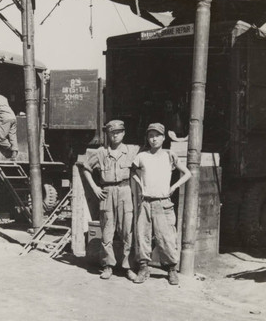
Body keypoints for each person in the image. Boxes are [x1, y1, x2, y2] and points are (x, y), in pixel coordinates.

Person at [132, 123, 191, 285]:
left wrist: (173, 187)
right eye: (150, 136)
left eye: (157, 135)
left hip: (163, 203)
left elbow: (187, 173)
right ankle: (143, 269)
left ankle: (171, 269)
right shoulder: (142, 156)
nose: (154, 139)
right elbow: (133, 172)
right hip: (146, 203)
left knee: (167, 237)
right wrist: (141, 185)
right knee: (142, 236)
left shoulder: (169, 155)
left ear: (164, 138)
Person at [82, 120, 138, 281]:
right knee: (107, 230)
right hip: (106, 192)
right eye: (112, 133)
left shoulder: (131, 151)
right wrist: (95, 188)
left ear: (124, 133)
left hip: (125, 191)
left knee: (127, 230)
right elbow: (86, 168)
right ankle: (107, 266)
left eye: (119, 132)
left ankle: (128, 267)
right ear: (108, 134)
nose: (115, 135)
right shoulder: (101, 152)